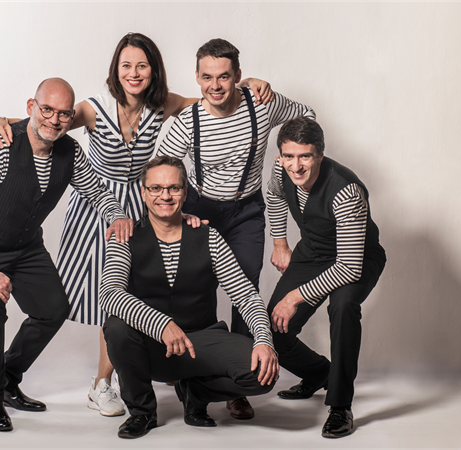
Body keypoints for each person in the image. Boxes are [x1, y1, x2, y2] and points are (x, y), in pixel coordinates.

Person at [0, 33, 274, 418]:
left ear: (154, 70)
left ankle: (114, 378)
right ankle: (97, 383)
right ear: (115, 69)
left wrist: (247, 84)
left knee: (136, 292)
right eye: (126, 65)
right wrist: (2, 120)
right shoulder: (93, 108)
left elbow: (210, 98)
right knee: (98, 297)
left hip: (143, 205)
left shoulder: (164, 103)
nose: (133, 73)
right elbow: (48, 121)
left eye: (142, 65)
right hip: (97, 206)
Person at [0, 78, 134, 432]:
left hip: (25, 246)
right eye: (47, 109)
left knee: (53, 309)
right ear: (31, 107)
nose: (54, 119)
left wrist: (117, 215)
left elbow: (97, 191)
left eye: (64, 114)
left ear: (71, 117)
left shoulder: (70, 151)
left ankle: (7, 379)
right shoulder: (1, 146)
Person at [156, 37, 316, 419]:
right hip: (199, 210)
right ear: (197, 77)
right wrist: (178, 211)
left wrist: (286, 161)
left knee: (244, 287)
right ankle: (199, 371)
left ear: (238, 76)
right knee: (199, 289)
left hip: (246, 211)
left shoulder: (261, 105)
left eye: (224, 76)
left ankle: (237, 379)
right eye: (207, 77)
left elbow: (306, 116)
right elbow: (161, 170)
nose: (215, 86)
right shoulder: (187, 122)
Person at [99, 155, 278, 439]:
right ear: (143, 193)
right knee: (116, 327)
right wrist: (161, 325)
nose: (165, 196)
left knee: (263, 374)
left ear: (185, 192)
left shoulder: (209, 236)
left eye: (174, 188)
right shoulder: (125, 237)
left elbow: (246, 296)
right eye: (156, 188)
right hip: (151, 346)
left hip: (201, 341)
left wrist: (264, 340)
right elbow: (110, 294)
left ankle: (196, 392)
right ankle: (142, 412)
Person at [266, 117, 386, 438]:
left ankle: (340, 405)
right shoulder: (281, 168)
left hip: (357, 258)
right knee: (273, 329)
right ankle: (320, 373)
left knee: (343, 306)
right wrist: (280, 243)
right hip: (313, 252)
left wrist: (295, 297)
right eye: (289, 156)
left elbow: (348, 267)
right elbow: (274, 195)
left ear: (320, 154)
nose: (296, 166)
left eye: (305, 156)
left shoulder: (346, 191)